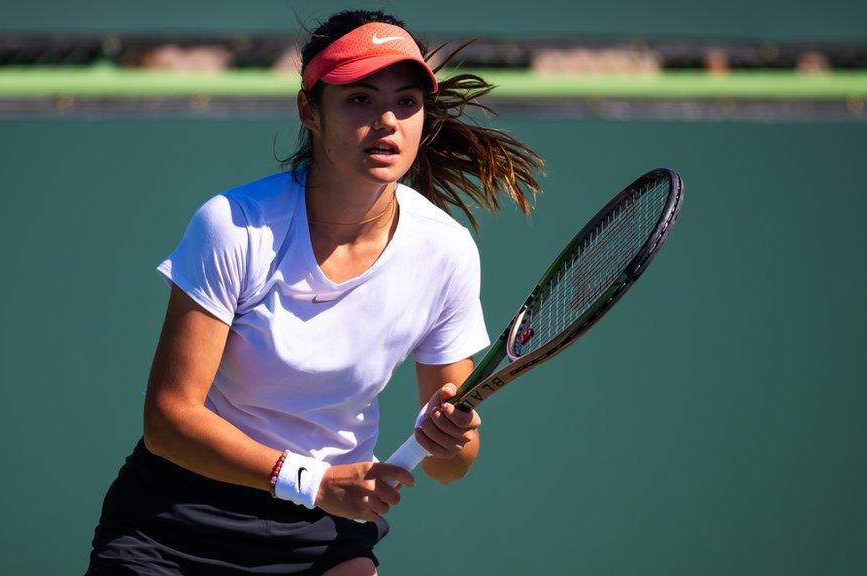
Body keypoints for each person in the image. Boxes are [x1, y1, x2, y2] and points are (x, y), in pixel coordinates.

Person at [85, 9, 543, 576]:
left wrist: (452, 439)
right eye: (360, 99)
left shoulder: (446, 252)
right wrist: (312, 481)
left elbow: (452, 466)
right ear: (310, 110)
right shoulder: (233, 226)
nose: (388, 122)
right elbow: (168, 419)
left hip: (322, 535)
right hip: (175, 519)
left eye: (406, 102)